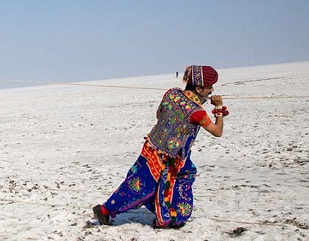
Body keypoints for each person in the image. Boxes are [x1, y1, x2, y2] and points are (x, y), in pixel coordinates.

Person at [93, 65, 228, 228]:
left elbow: (158, 114)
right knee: (145, 185)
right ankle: (109, 210)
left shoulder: (172, 94)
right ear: (199, 88)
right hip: (170, 158)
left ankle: (114, 210)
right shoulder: (197, 112)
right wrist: (218, 110)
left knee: (139, 181)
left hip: (152, 147)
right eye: (209, 87)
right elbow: (217, 132)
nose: (211, 90)